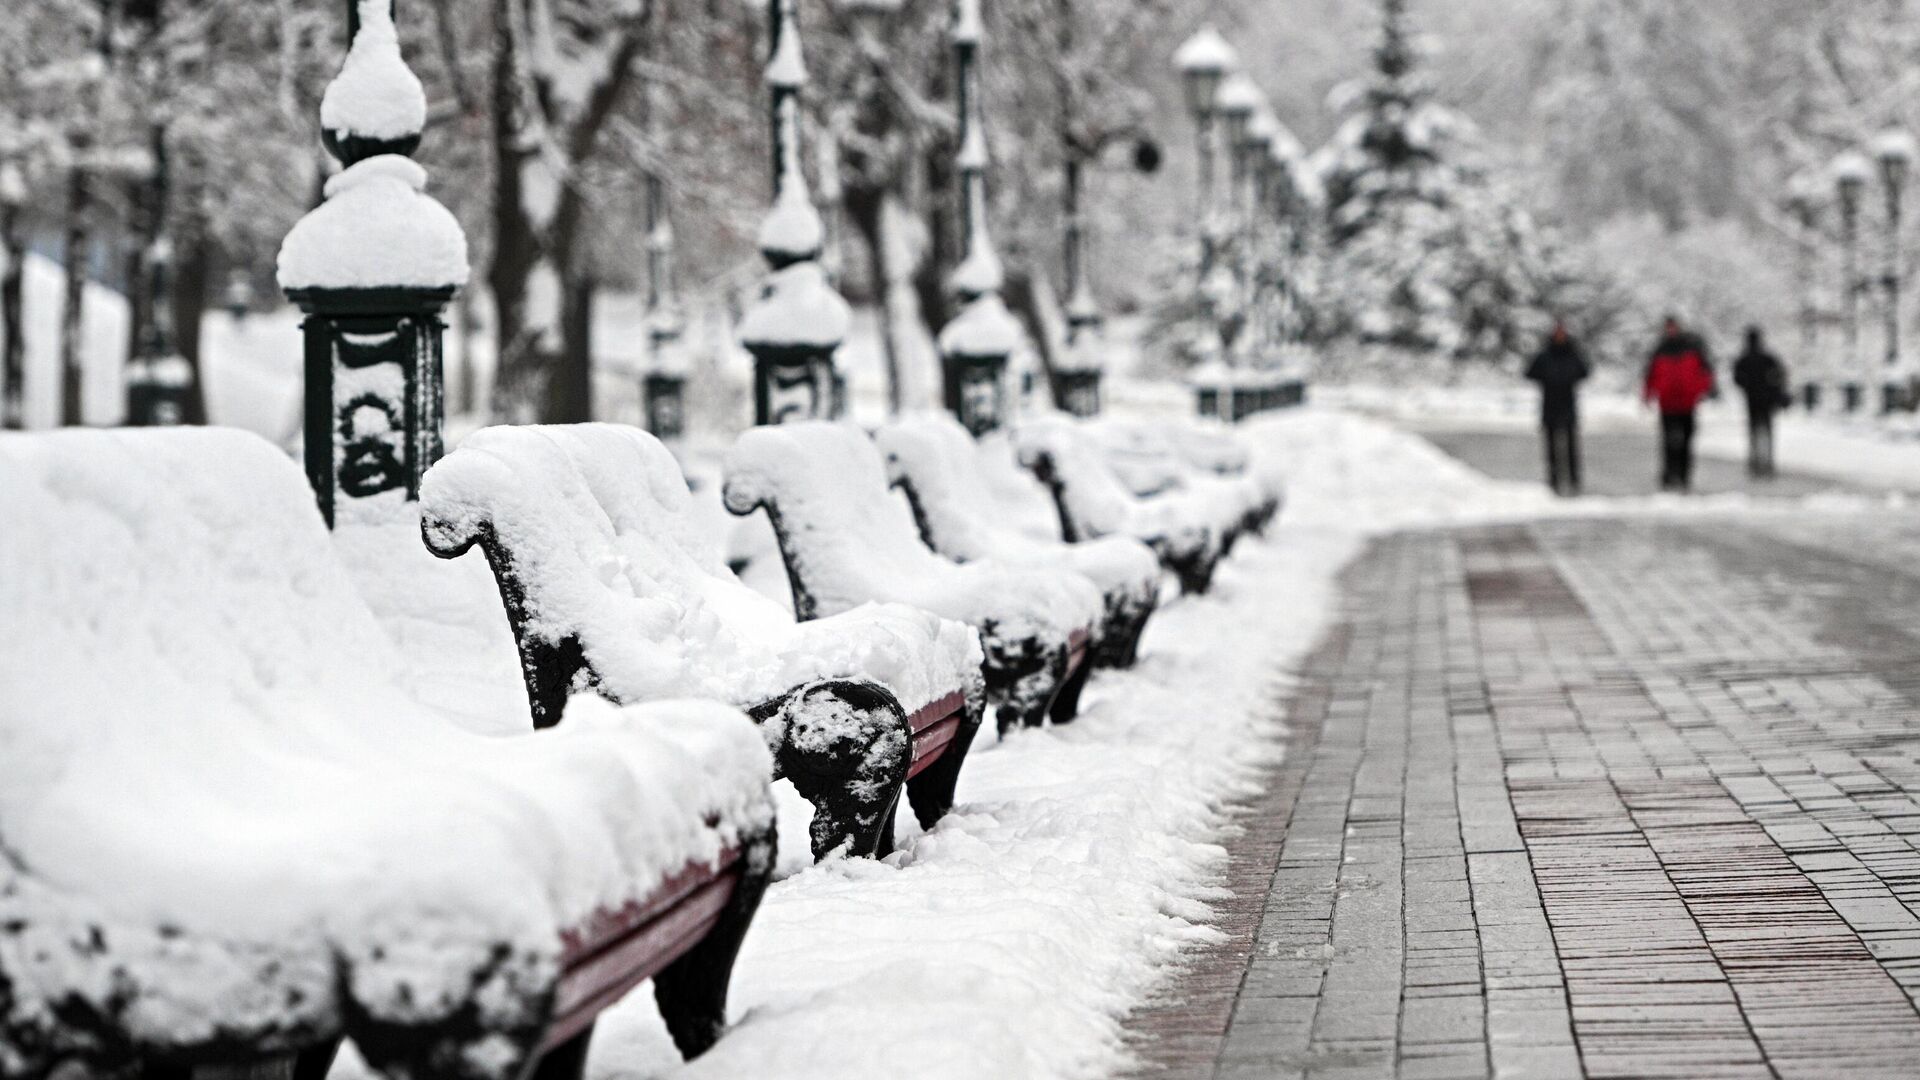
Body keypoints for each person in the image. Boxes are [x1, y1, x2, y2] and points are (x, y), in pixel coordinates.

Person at [1642, 317, 1716, 492]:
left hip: (1687, 403)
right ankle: (1669, 474)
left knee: (1686, 441)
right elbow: (1650, 375)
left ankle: (1683, 475)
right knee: (1668, 441)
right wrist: (1648, 394)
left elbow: (1705, 372)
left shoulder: (1692, 348)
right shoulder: (1660, 350)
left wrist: (1701, 389)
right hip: (1667, 403)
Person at [1525, 320, 1591, 495]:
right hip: (1550, 405)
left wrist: (1569, 377)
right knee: (1551, 446)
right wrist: (1547, 378)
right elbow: (1530, 372)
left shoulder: (1573, 354)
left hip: (1568, 405)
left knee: (1571, 446)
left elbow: (1585, 371)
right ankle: (1553, 479)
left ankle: (1573, 479)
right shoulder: (1545, 355)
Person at [1732, 327, 1790, 478]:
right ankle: (1765, 464)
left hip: (1754, 401)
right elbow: (1779, 377)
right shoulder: (1767, 359)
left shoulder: (1745, 359)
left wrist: (1748, 386)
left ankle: (1756, 463)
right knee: (1766, 434)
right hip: (1766, 401)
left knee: (1755, 434)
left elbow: (1737, 378)